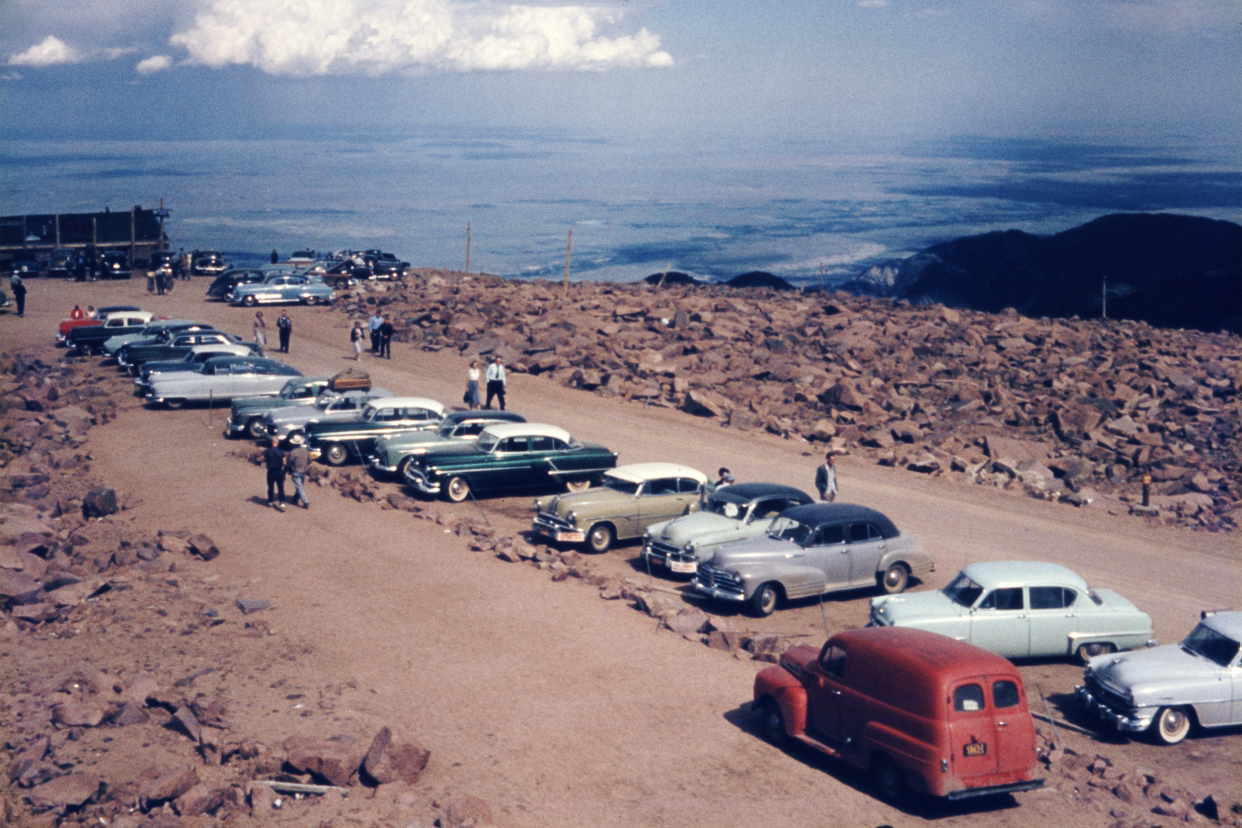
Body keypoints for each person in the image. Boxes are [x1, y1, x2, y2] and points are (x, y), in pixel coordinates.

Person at [286, 438, 311, 509]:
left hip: (296, 472)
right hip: (304, 471)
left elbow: (288, 462)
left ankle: (305, 502)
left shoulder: (293, 452)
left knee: (299, 487)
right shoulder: (306, 451)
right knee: (300, 487)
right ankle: (295, 499)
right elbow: (309, 461)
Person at [263, 437, 287, 511]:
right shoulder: (281, 452)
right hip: (279, 471)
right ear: (277, 443)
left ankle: (270, 501)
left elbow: (261, 458)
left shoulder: (267, 451)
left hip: (271, 471)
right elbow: (284, 462)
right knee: (280, 487)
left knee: (270, 487)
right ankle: (282, 503)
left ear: (271, 443)